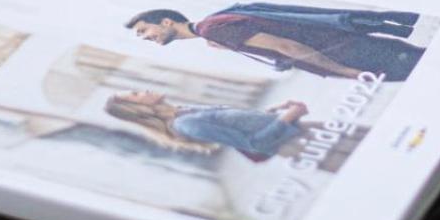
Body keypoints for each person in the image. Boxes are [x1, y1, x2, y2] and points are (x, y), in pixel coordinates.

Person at [124, 0, 423, 80]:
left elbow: (287, 46)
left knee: (431, 71)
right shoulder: (216, 24)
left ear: (166, 21)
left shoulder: (214, 28)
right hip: (352, 46)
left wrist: (344, 72)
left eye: (144, 31)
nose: (145, 38)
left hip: (354, 56)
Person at [104, 90, 310, 162]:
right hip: (298, 145)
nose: (144, 90)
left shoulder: (185, 109)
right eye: (136, 94)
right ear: (137, 108)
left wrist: (275, 109)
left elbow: (243, 124)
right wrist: (287, 117)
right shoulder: (186, 124)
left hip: (299, 129)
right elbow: (254, 144)